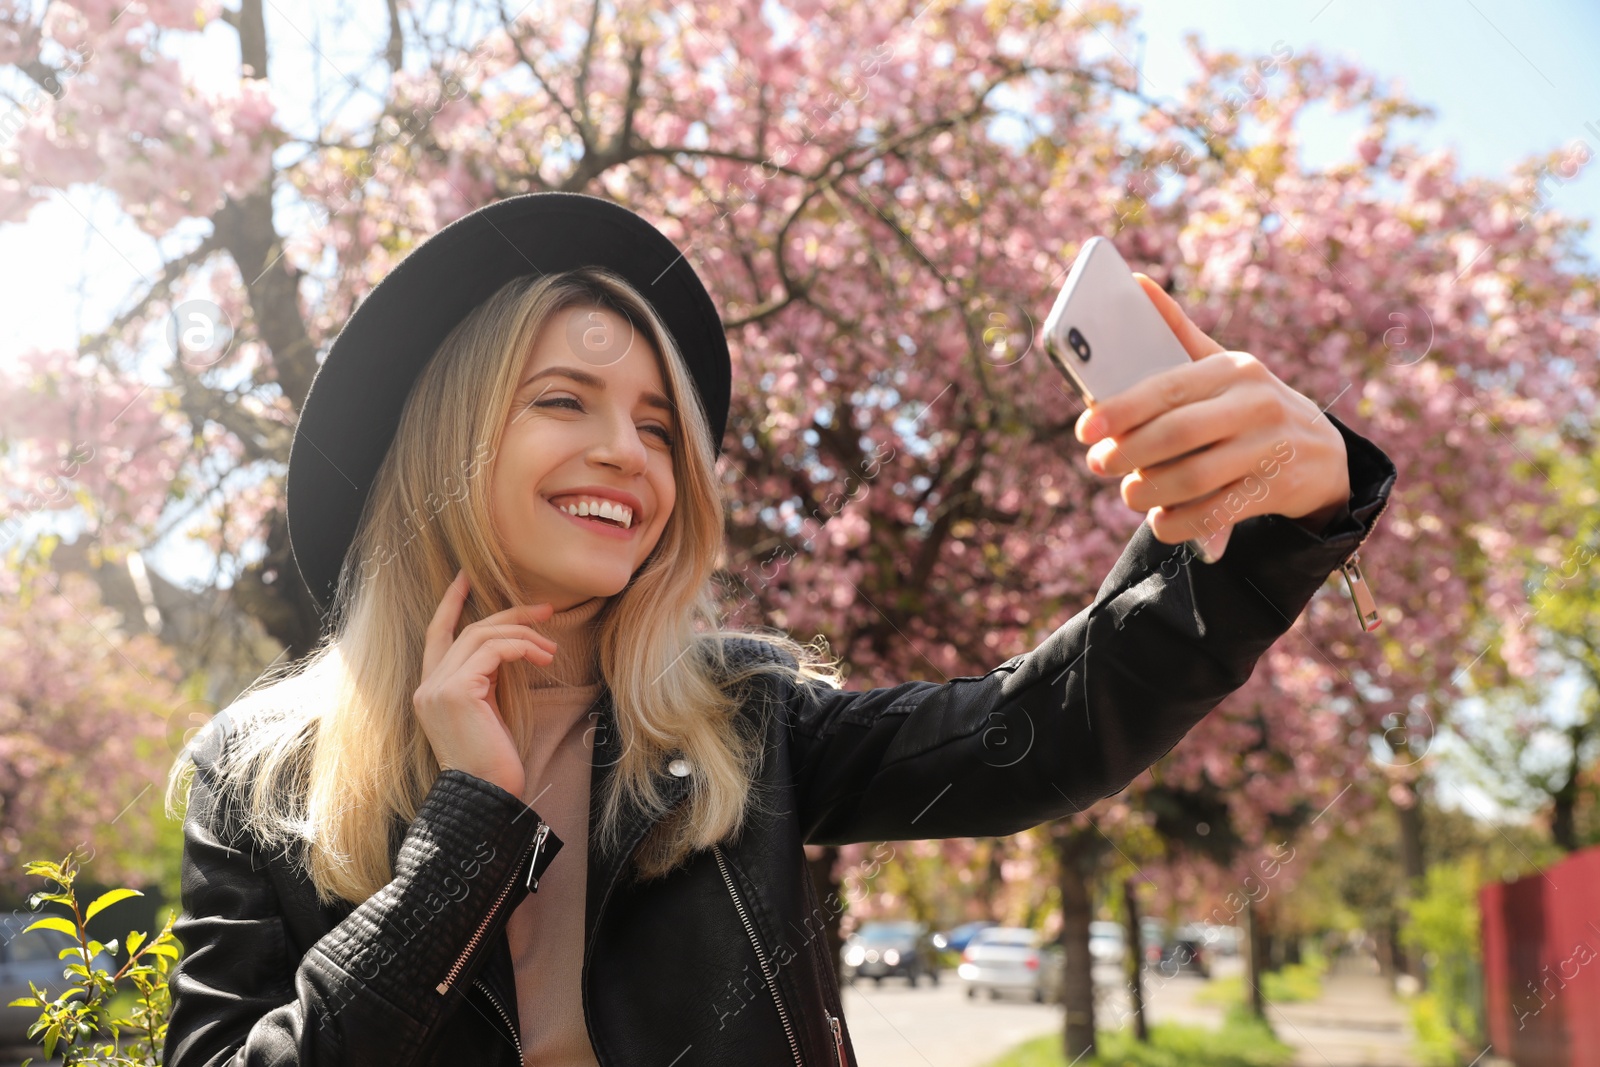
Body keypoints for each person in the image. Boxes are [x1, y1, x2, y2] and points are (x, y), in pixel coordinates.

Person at [162, 192, 1397, 1067]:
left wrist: (1265, 521)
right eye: (562, 399)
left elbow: (1042, 733)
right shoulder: (253, 769)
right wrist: (464, 837)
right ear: (441, 439)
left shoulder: (745, 715)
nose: (625, 452)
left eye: (659, 424)